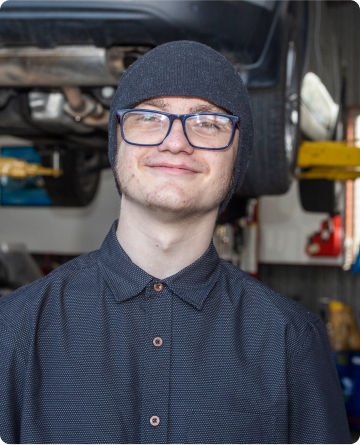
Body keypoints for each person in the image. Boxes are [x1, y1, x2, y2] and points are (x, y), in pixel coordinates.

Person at [0, 41, 351, 445]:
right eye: (150, 116)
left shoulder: (293, 341)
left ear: (237, 158)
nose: (176, 141)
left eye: (208, 123)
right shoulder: (14, 330)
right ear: (117, 143)